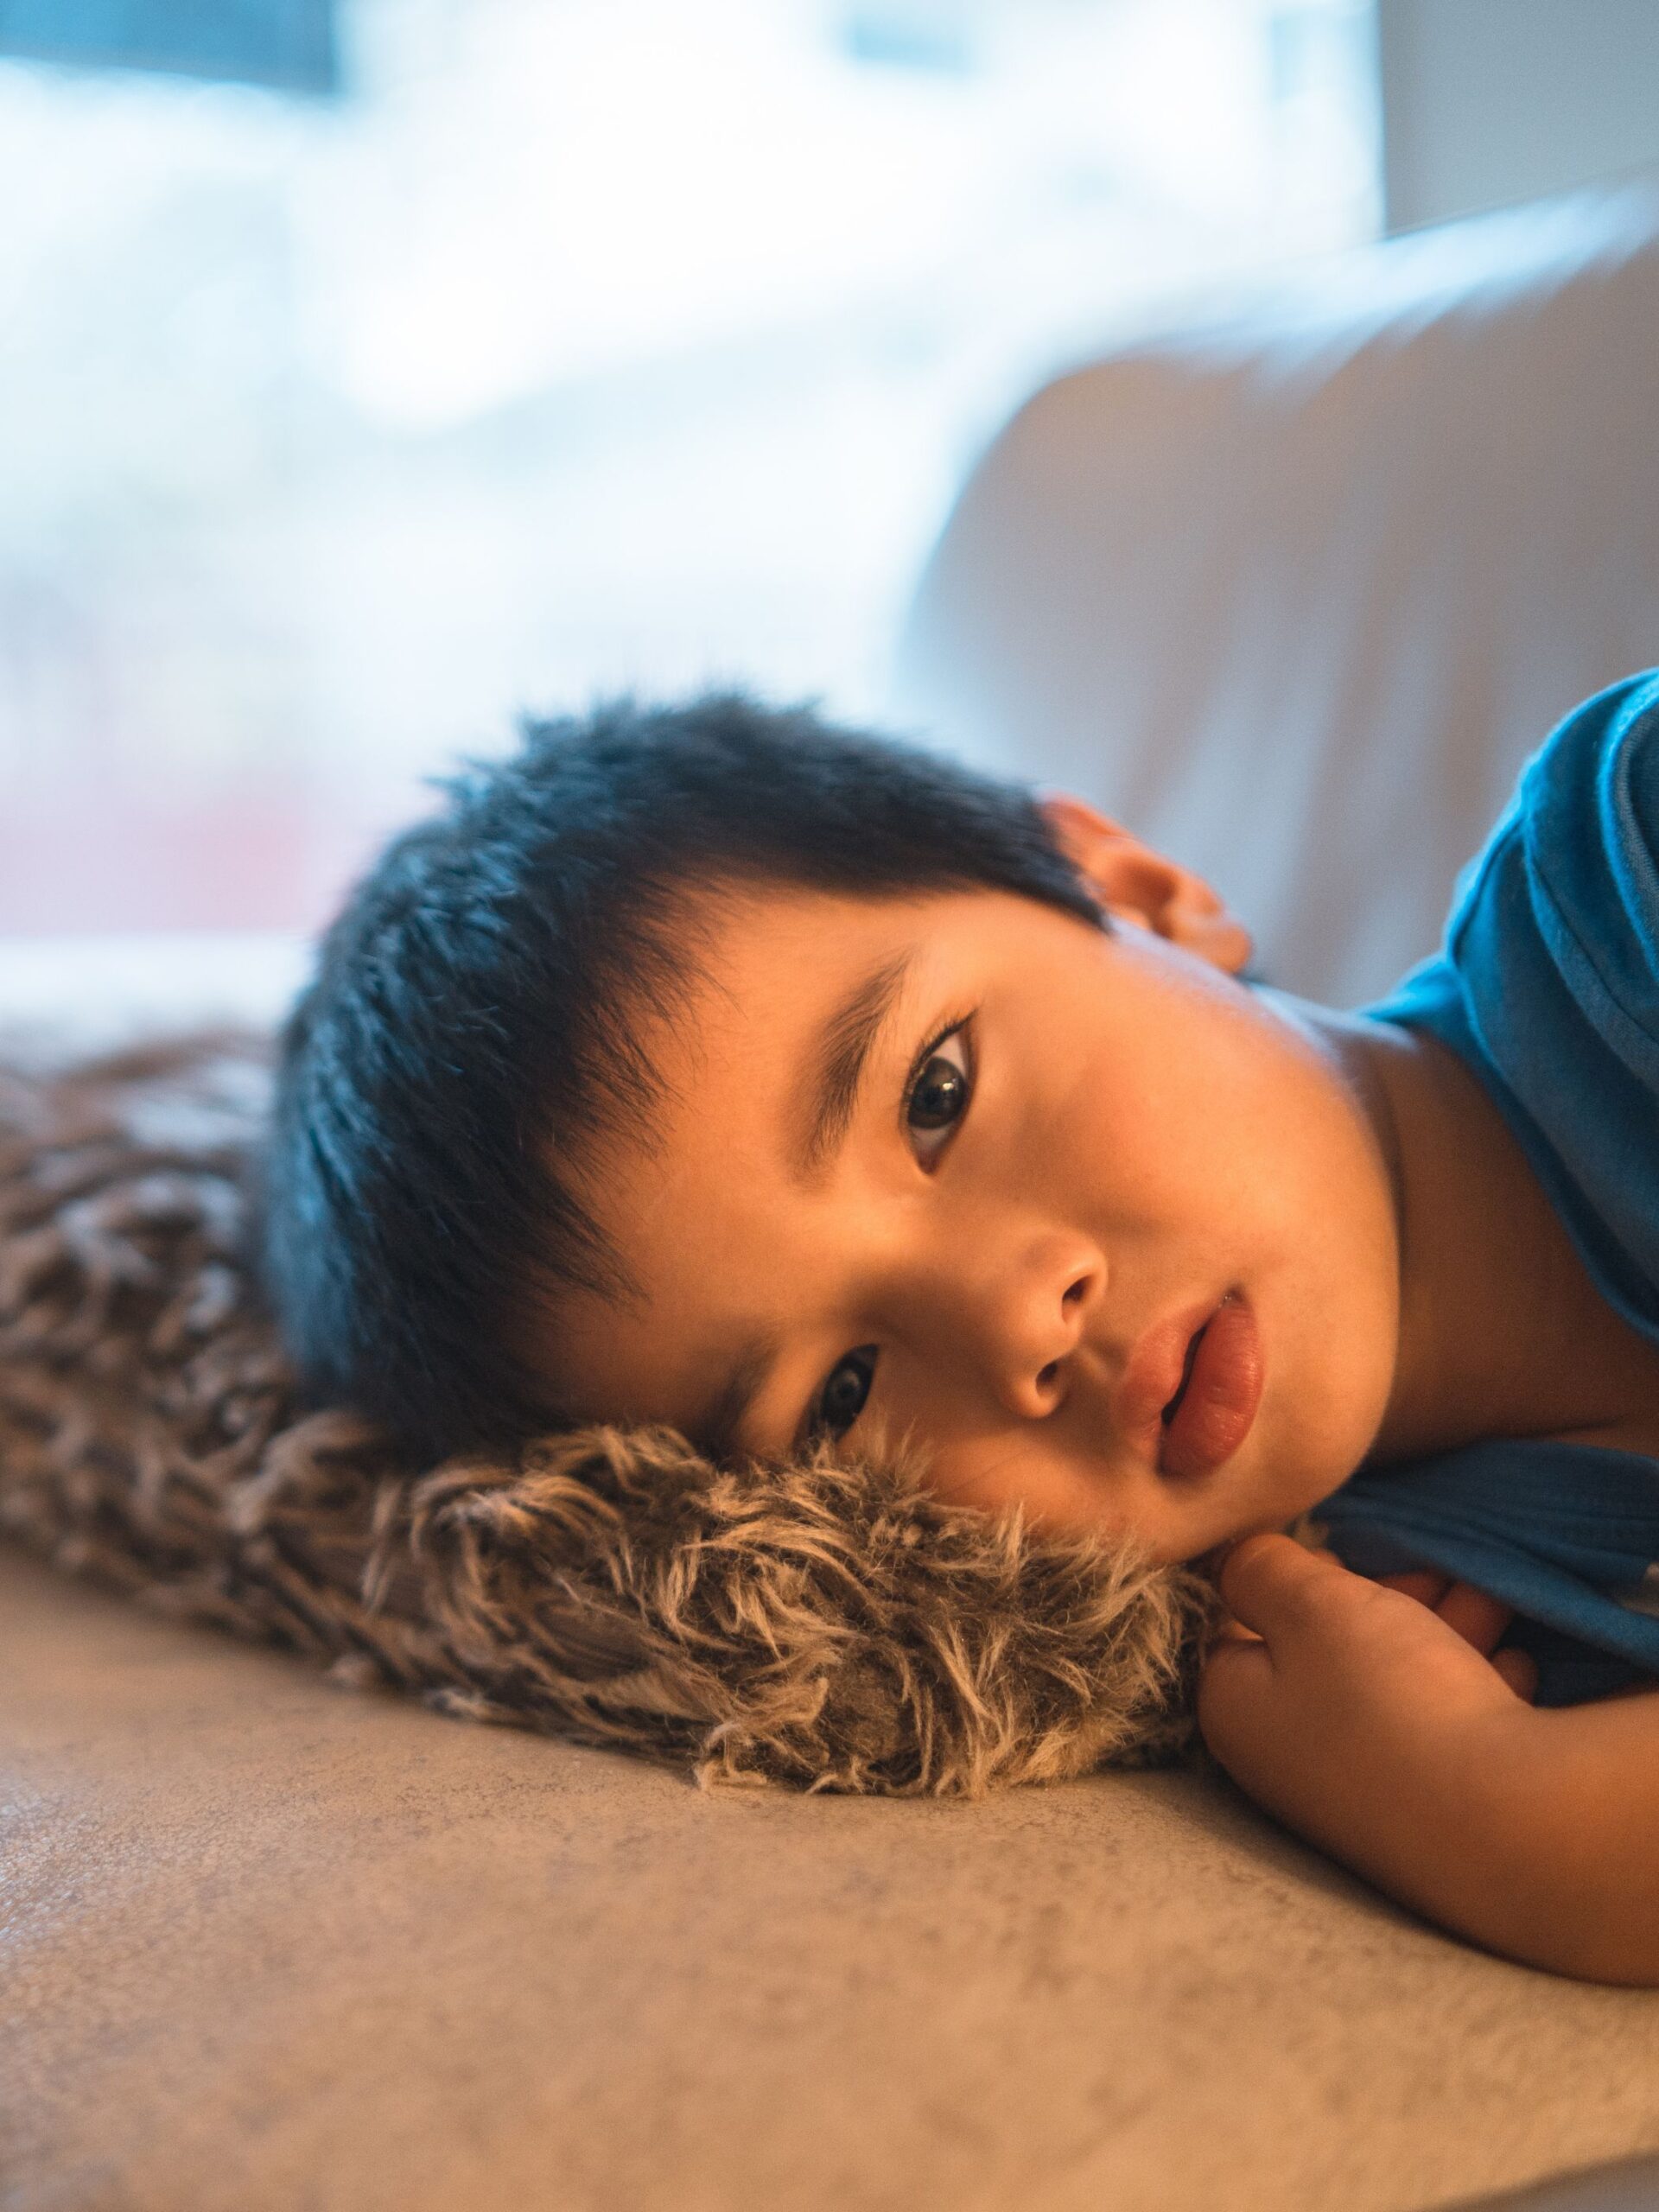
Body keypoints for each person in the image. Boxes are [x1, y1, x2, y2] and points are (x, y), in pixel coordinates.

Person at [263, 673, 1659, 1985]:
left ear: (1132, 889)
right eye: (840, 1395)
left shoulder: (1623, 867)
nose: (1010, 1324)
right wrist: (1451, 1760)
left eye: (934, 1093)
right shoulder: (1428, 1641)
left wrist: (1505, 1817)